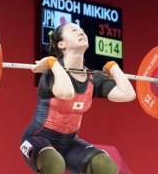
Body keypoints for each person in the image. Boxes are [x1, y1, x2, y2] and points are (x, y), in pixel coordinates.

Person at [20, 22, 136, 174]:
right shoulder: (51, 74)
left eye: (82, 30)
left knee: (105, 166)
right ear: (61, 44)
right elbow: (67, 93)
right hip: (38, 139)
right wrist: (52, 64)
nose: (81, 32)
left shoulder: (94, 79)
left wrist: (113, 67)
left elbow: (128, 94)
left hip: (70, 144)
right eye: (74, 30)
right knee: (54, 163)